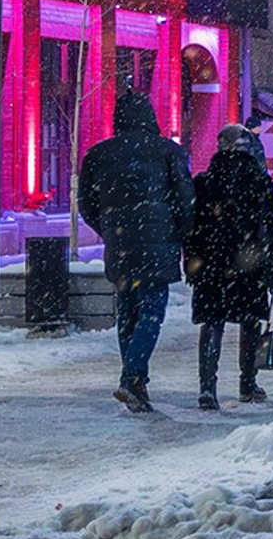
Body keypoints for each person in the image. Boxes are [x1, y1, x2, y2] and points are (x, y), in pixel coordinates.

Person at [76, 87, 194, 416]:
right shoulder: (169, 152)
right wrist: (181, 235)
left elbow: (86, 204)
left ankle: (135, 381)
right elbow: (187, 201)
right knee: (151, 312)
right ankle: (132, 377)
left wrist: (110, 230)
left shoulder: (98, 155)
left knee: (127, 313)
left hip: (120, 246)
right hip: (158, 245)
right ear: (150, 116)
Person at [185, 123, 273, 410]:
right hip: (249, 263)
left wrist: (192, 263)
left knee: (212, 323)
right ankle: (247, 382)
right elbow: (272, 227)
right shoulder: (259, 181)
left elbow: (193, 229)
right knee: (250, 322)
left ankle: (207, 388)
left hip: (211, 264)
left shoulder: (204, 183)